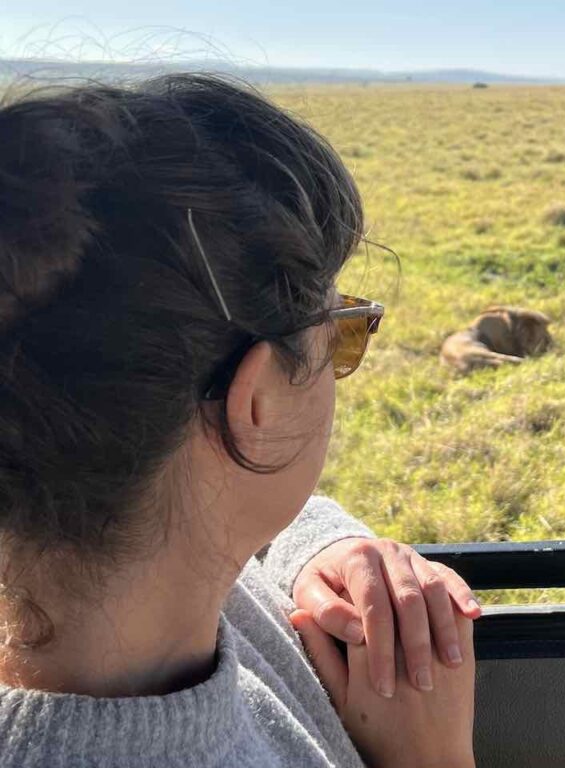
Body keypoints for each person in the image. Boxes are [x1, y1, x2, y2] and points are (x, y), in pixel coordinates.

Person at [0, 74, 480, 767]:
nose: (343, 357)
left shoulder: (136, 585)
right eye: (341, 335)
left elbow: (202, 499)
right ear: (255, 403)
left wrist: (320, 548)